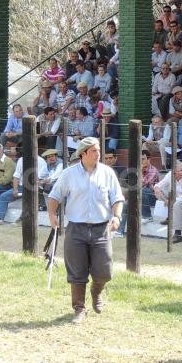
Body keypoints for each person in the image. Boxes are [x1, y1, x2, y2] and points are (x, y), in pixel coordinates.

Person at [47, 137, 124, 324]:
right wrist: (52, 214)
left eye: (99, 150)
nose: (99, 154)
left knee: (104, 271)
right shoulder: (69, 174)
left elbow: (117, 198)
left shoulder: (107, 173)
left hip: (101, 229)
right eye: (94, 151)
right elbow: (55, 195)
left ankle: (96, 292)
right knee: (76, 272)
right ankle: (79, 309)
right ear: (83, 154)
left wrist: (117, 216)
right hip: (76, 228)